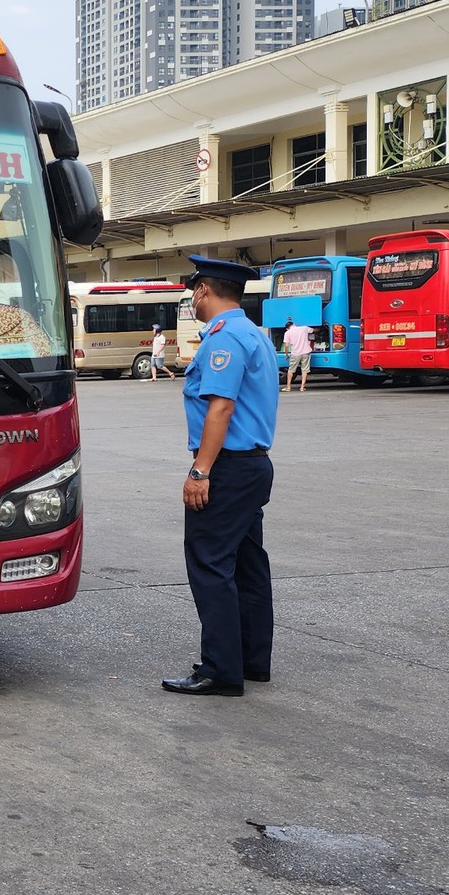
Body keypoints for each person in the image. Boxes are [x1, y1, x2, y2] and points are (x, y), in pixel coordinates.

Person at [163, 256, 279, 699]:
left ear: (203, 291)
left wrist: (200, 471)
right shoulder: (255, 334)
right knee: (248, 565)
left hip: (226, 467)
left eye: (194, 291)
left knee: (210, 563)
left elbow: (221, 408)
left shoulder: (224, 338)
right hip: (253, 464)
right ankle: (252, 660)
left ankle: (220, 669)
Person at [281, 322, 315, 392]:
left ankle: (288, 387)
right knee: (305, 370)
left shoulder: (287, 333)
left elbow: (286, 345)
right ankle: (302, 387)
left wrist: (286, 354)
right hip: (306, 352)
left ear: (287, 328)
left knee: (291, 370)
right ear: (294, 324)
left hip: (295, 353)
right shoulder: (304, 328)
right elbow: (313, 330)